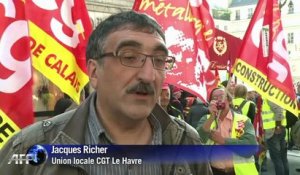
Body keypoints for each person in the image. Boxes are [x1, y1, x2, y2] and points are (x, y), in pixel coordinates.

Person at [0, 11, 212, 175]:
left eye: (159, 60)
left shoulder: (186, 141)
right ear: (94, 71)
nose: (149, 75)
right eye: (129, 57)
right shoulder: (30, 148)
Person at [197, 87, 258, 175]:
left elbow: (251, 148)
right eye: (214, 98)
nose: (218, 100)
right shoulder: (206, 119)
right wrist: (211, 117)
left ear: (229, 100)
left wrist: (223, 140)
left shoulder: (243, 120)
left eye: (222, 96)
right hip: (213, 171)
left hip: (238, 172)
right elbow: (198, 140)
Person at [262, 98, 289, 175]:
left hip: (274, 131)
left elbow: (279, 111)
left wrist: (278, 126)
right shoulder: (277, 94)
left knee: (277, 159)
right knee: (282, 158)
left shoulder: (270, 95)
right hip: (278, 129)